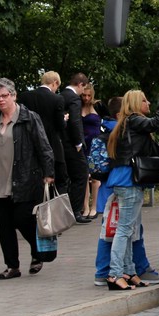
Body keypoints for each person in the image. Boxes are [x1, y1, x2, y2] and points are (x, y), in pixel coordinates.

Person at [0, 78, 55, 279]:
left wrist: (49, 173)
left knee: (22, 218)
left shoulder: (29, 118)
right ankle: (12, 266)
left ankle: (37, 251)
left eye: (5, 96)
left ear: (13, 95)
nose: (1, 100)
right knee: (5, 226)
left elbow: (44, 147)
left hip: (24, 179)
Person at [93, 97, 159, 287]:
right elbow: (157, 122)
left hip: (122, 180)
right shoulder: (134, 120)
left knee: (127, 229)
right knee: (125, 230)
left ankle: (128, 271)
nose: (148, 102)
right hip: (129, 181)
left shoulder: (124, 124)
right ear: (135, 104)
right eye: (144, 100)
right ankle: (115, 274)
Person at [17, 71, 69, 199]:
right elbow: (59, 126)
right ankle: (56, 214)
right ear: (55, 83)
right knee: (60, 180)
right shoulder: (57, 99)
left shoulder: (25, 97)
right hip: (52, 146)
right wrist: (64, 120)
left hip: (30, 147)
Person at [61, 72, 92, 223]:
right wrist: (78, 142)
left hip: (61, 144)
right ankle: (75, 211)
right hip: (72, 145)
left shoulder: (60, 96)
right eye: (83, 89)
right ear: (80, 84)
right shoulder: (73, 98)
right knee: (81, 174)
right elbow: (75, 121)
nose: (82, 93)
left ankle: (66, 211)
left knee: (66, 177)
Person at [80, 83, 103, 219]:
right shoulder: (77, 106)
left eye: (89, 95)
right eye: (84, 95)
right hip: (82, 144)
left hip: (94, 145)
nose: (86, 98)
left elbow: (108, 120)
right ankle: (85, 206)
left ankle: (94, 206)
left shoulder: (98, 106)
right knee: (83, 176)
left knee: (95, 177)